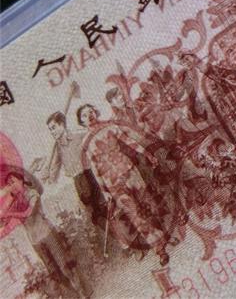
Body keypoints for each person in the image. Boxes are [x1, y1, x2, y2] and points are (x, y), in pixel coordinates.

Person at [77, 104, 171, 265]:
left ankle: (160, 234)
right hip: (113, 182)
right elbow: (96, 169)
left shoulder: (110, 127)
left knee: (147, 204)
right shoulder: (86, 143)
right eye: (84, 115)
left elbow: (130, 142)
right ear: (82, 122)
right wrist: (105, 191)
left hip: (129, 171)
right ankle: (159, 249)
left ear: (96, 112)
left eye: (91, 112)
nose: (89, 116)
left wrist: (147, 154)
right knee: (134, 213)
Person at [1, 167, 92, 297]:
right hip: (35, 241)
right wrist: (6, 205)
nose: (12, 186)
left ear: (21, 180)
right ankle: (73, 297)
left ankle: (85, 292)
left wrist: (10, 213)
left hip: (47, 234)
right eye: (9, 184)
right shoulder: (15, 202)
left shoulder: (32, 193)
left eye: (13, 181)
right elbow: (3, 221)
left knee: (65, 265)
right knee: (54, 272)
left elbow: (28, 213)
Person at [38, 112, 108, 233]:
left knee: (106, 208)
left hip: (91, 175)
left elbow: (97, 142)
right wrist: (46, 176)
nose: (52, 132)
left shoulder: (79, 135)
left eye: (53, 128)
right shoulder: (58, 148)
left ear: (62, 125)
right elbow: (54, 170)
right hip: (78, 182)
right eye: (50, 130)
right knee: (95, 217)